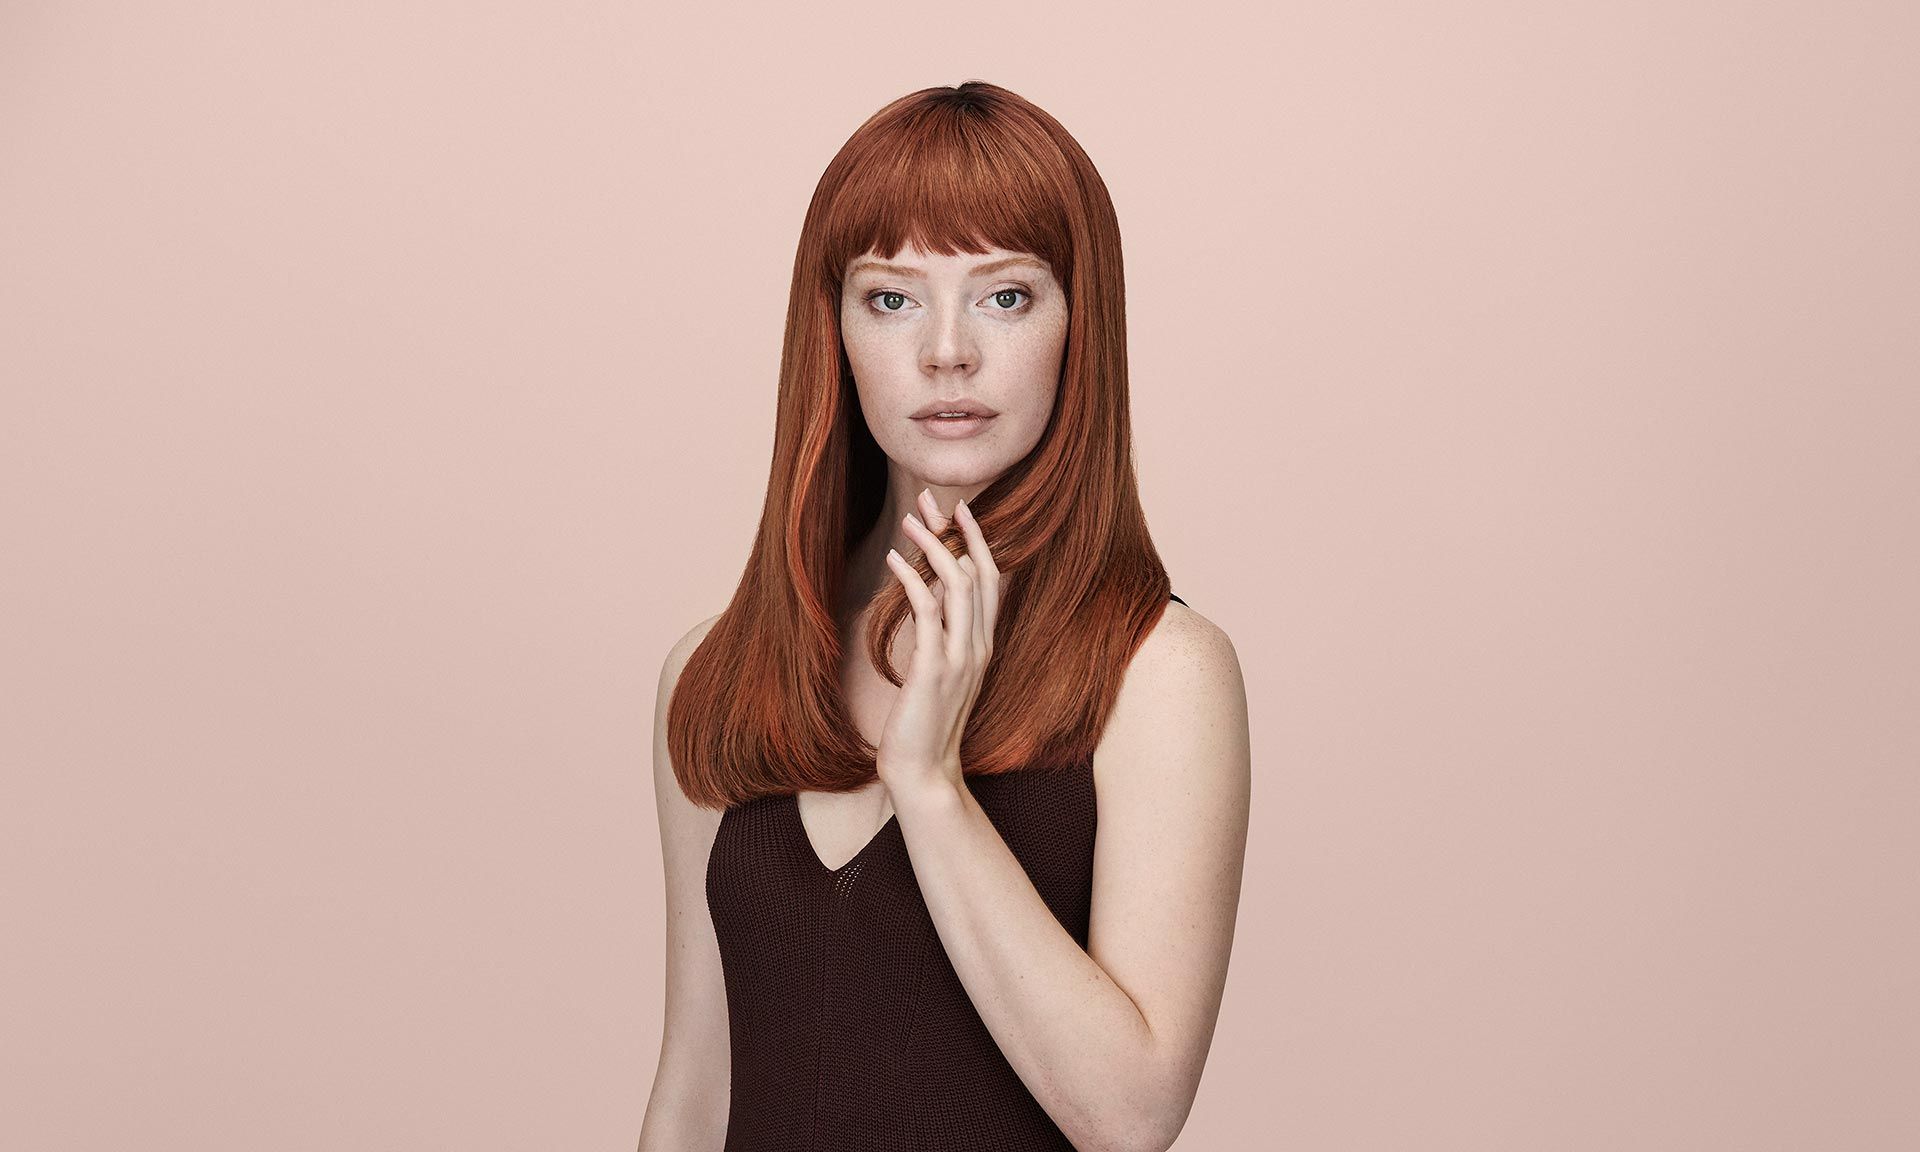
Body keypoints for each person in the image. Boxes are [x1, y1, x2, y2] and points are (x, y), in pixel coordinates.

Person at [638, 80, 1250, 1152]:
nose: (948, 352)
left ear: (1078, 322)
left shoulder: (1162, 671)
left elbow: (1131, 1114)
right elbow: (695, 1093)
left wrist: (931, 786)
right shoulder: (719, 672)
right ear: (831, 328)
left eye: (1005, 296)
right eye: (892, 298)